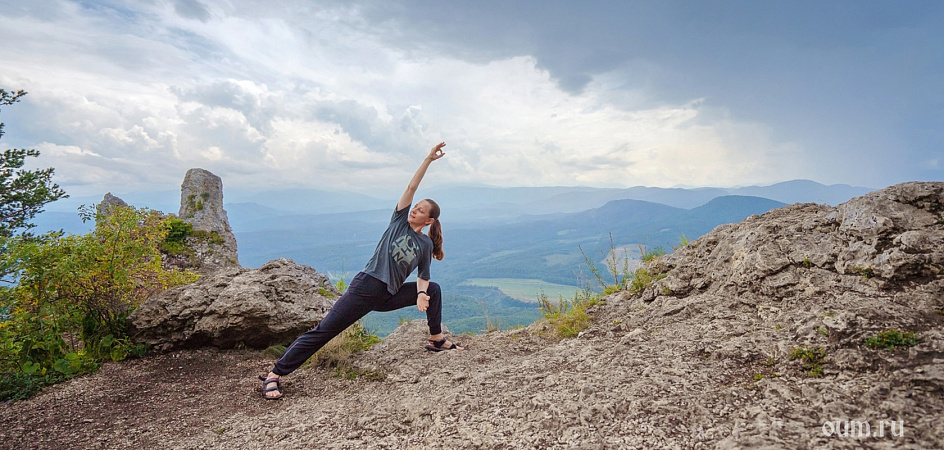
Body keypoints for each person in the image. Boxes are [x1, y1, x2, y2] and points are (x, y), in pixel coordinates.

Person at [260, 142, 463, 400]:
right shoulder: (398, 222)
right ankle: (275, 374)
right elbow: (411, 188)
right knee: (324, 331)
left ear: (429, 220)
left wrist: (422, 295)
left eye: (421, 211)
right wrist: (427, 160)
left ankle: (436, 338)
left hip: (388, 294)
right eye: (415, 207)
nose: (415, 210)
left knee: (434, 289)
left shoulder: (425, 244)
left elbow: (424, 276)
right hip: (366, 288)